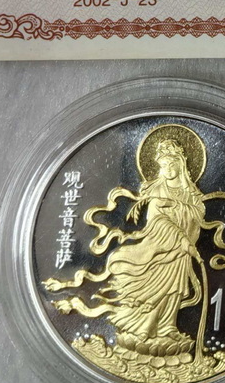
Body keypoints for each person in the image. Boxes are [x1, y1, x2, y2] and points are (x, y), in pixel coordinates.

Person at [87, 135, 206, 357]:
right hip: (160, 249)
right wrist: (177, 233)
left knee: (174, 290)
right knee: (157, 290)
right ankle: (145, 328)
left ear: (181, 165)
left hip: (181, 253)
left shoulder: (190, 192)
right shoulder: (156, 190)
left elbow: (198, 214)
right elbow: (155, 220)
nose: (167, 169)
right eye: (163, 165)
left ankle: (167, 327)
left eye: (171, 164)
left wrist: (177, 206)